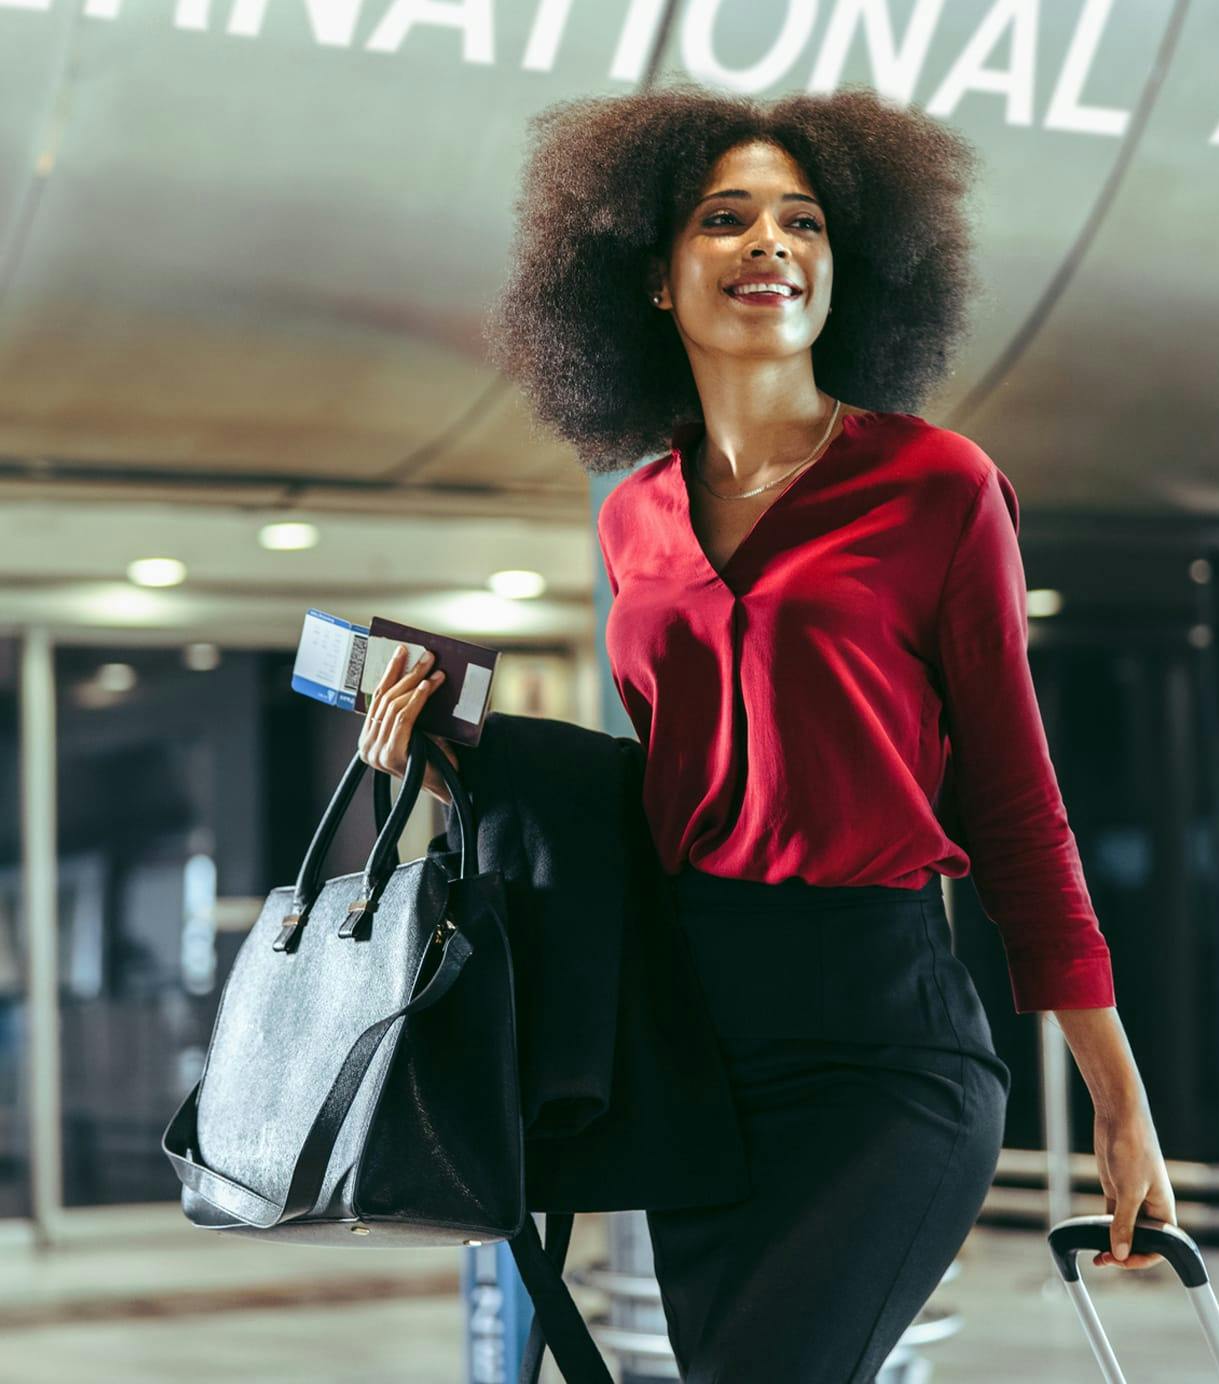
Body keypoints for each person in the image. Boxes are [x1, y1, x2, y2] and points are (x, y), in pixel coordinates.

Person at [365, 82, 1177, 1383]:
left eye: (802, 220)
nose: (770, 245)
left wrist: (1121, 1110)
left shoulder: (938, 489)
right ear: (648, 275)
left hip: (885, 1053)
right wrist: (470, 747)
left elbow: (1021, 813)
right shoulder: (634, 518)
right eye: (725, 218)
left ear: (849, 262)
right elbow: (670, 793)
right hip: (696, 1058)